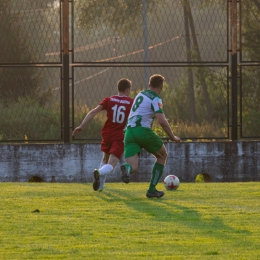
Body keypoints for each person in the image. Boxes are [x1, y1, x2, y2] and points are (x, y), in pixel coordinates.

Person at [120, 74, 180, 198]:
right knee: (162, 155)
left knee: (133, 167)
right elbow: (162, 121)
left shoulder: (140, 94)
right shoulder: (156, 99)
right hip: (142, 131)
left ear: (149, 85)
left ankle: (126, 168)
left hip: (129, 132)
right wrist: (172, 136)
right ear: (161, 87)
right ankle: (152, 190)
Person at [72, 78, 134, 191]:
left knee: (105, 159)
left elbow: (93, 111)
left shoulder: (109, 100)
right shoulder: (131, 103)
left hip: (107, 134)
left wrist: (81, 126)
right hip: (119, 136)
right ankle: (98, 172)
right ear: (127, 90)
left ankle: (100, 187)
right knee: (111, 165)